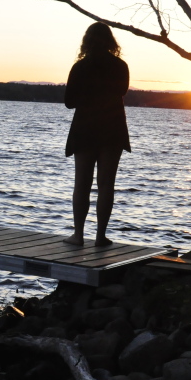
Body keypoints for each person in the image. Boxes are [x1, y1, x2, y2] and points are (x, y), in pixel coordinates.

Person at [62, 22, 131, 246]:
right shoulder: (121, 66)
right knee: (106, 184)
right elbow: (121, 91)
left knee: (81, 183)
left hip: (85, 129)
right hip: (112, 129)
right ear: (111, 41)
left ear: (87, 41)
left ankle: (79, 235)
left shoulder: (80, 67)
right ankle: (100, 236)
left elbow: (68, 102)